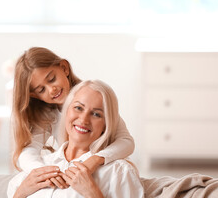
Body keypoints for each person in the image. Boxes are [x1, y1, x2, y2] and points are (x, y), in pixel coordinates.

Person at [0, 80, 144, 198]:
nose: (84, 119)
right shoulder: (38, 167)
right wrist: (21, 192)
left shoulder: (117, 171)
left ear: (106, 125)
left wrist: (91, 193)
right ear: (66, 111)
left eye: (96, 114)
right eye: (78, 108)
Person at [11, 47, 134, 188]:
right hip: (72, 180)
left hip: (106, 174)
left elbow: (126, 141)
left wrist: (95, 160)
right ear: (34, 95)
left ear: (64, 68)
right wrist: (42, 172)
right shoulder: (48, 116)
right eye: (41, 90)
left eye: (52, 79)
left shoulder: (95, 98)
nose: (52, 89)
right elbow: (28, 151)